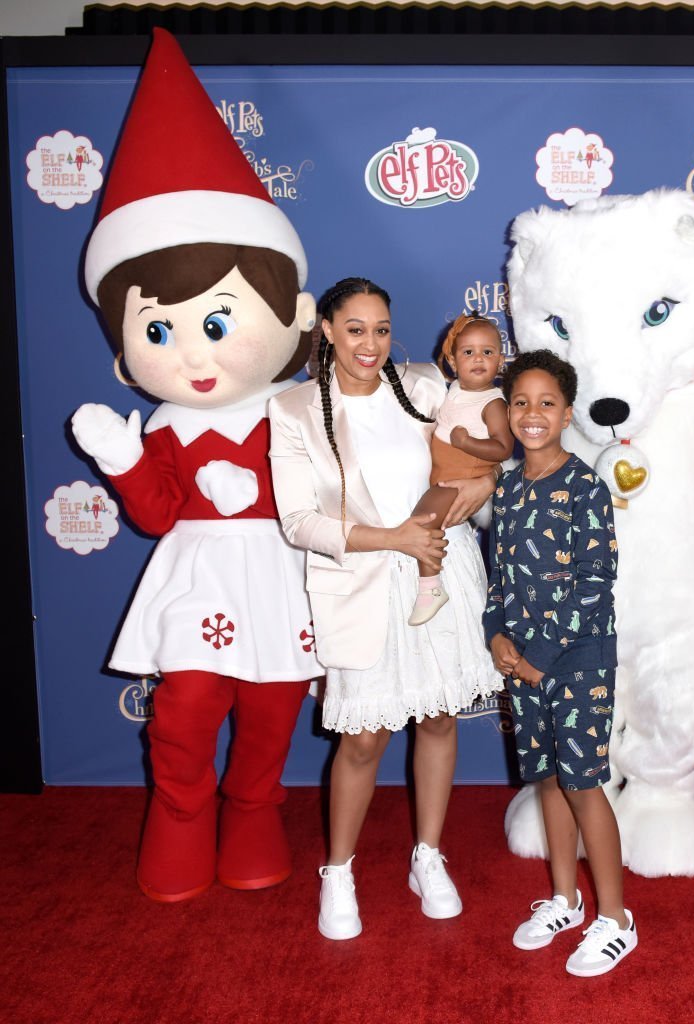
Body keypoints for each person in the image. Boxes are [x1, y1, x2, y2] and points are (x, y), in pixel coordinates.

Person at [70, 28, 321, 903]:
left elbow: (330, 487)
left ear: (293, 317)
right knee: (184, 708)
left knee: (273, 706)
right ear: (124, 355)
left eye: (217, 323)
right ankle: (180, 817)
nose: (194, 355)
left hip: (283, 573)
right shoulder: (169, 426)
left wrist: (270, 490)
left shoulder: (297, 409)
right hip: (200, 578)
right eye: (157, 330)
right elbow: (151, 514)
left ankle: (252, 810)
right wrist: (127, 458)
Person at [268, 277, 502, 941]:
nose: (369, 344)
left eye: (379, 329)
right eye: (354, 329)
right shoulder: (293, 409)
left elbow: (476, 458)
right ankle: (337, 871)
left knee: (437, 719)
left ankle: (427, 855)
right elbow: (298, 520)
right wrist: (392, 537)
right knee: (364, 739)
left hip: (442, 567)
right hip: (364, 579)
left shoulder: (426, 385)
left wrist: (480, 483)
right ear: (328, 331)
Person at [484, 349, 637, 978]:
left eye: (547, 402)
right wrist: (497, 635)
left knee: (581, 783)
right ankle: (565, 901)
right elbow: (502, 578)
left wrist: (538, 659)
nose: (533, 413)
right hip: (523, 664)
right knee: (546, 779)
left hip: (577, 663)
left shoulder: (586, 488)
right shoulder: (509, 488)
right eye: (521, 402)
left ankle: (618, 919)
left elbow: (595, 581)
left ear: (568, 412)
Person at [408, 313, 514, 626]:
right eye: (468, 352)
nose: (478, 359)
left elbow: (503, 448)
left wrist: (468, 444)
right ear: (453, 362)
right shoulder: (454, 389)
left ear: (500, 360)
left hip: (460, 480)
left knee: (425, 520)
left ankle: (431, 587)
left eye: (487, 352)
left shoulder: (492, 403)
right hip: (441, 476)